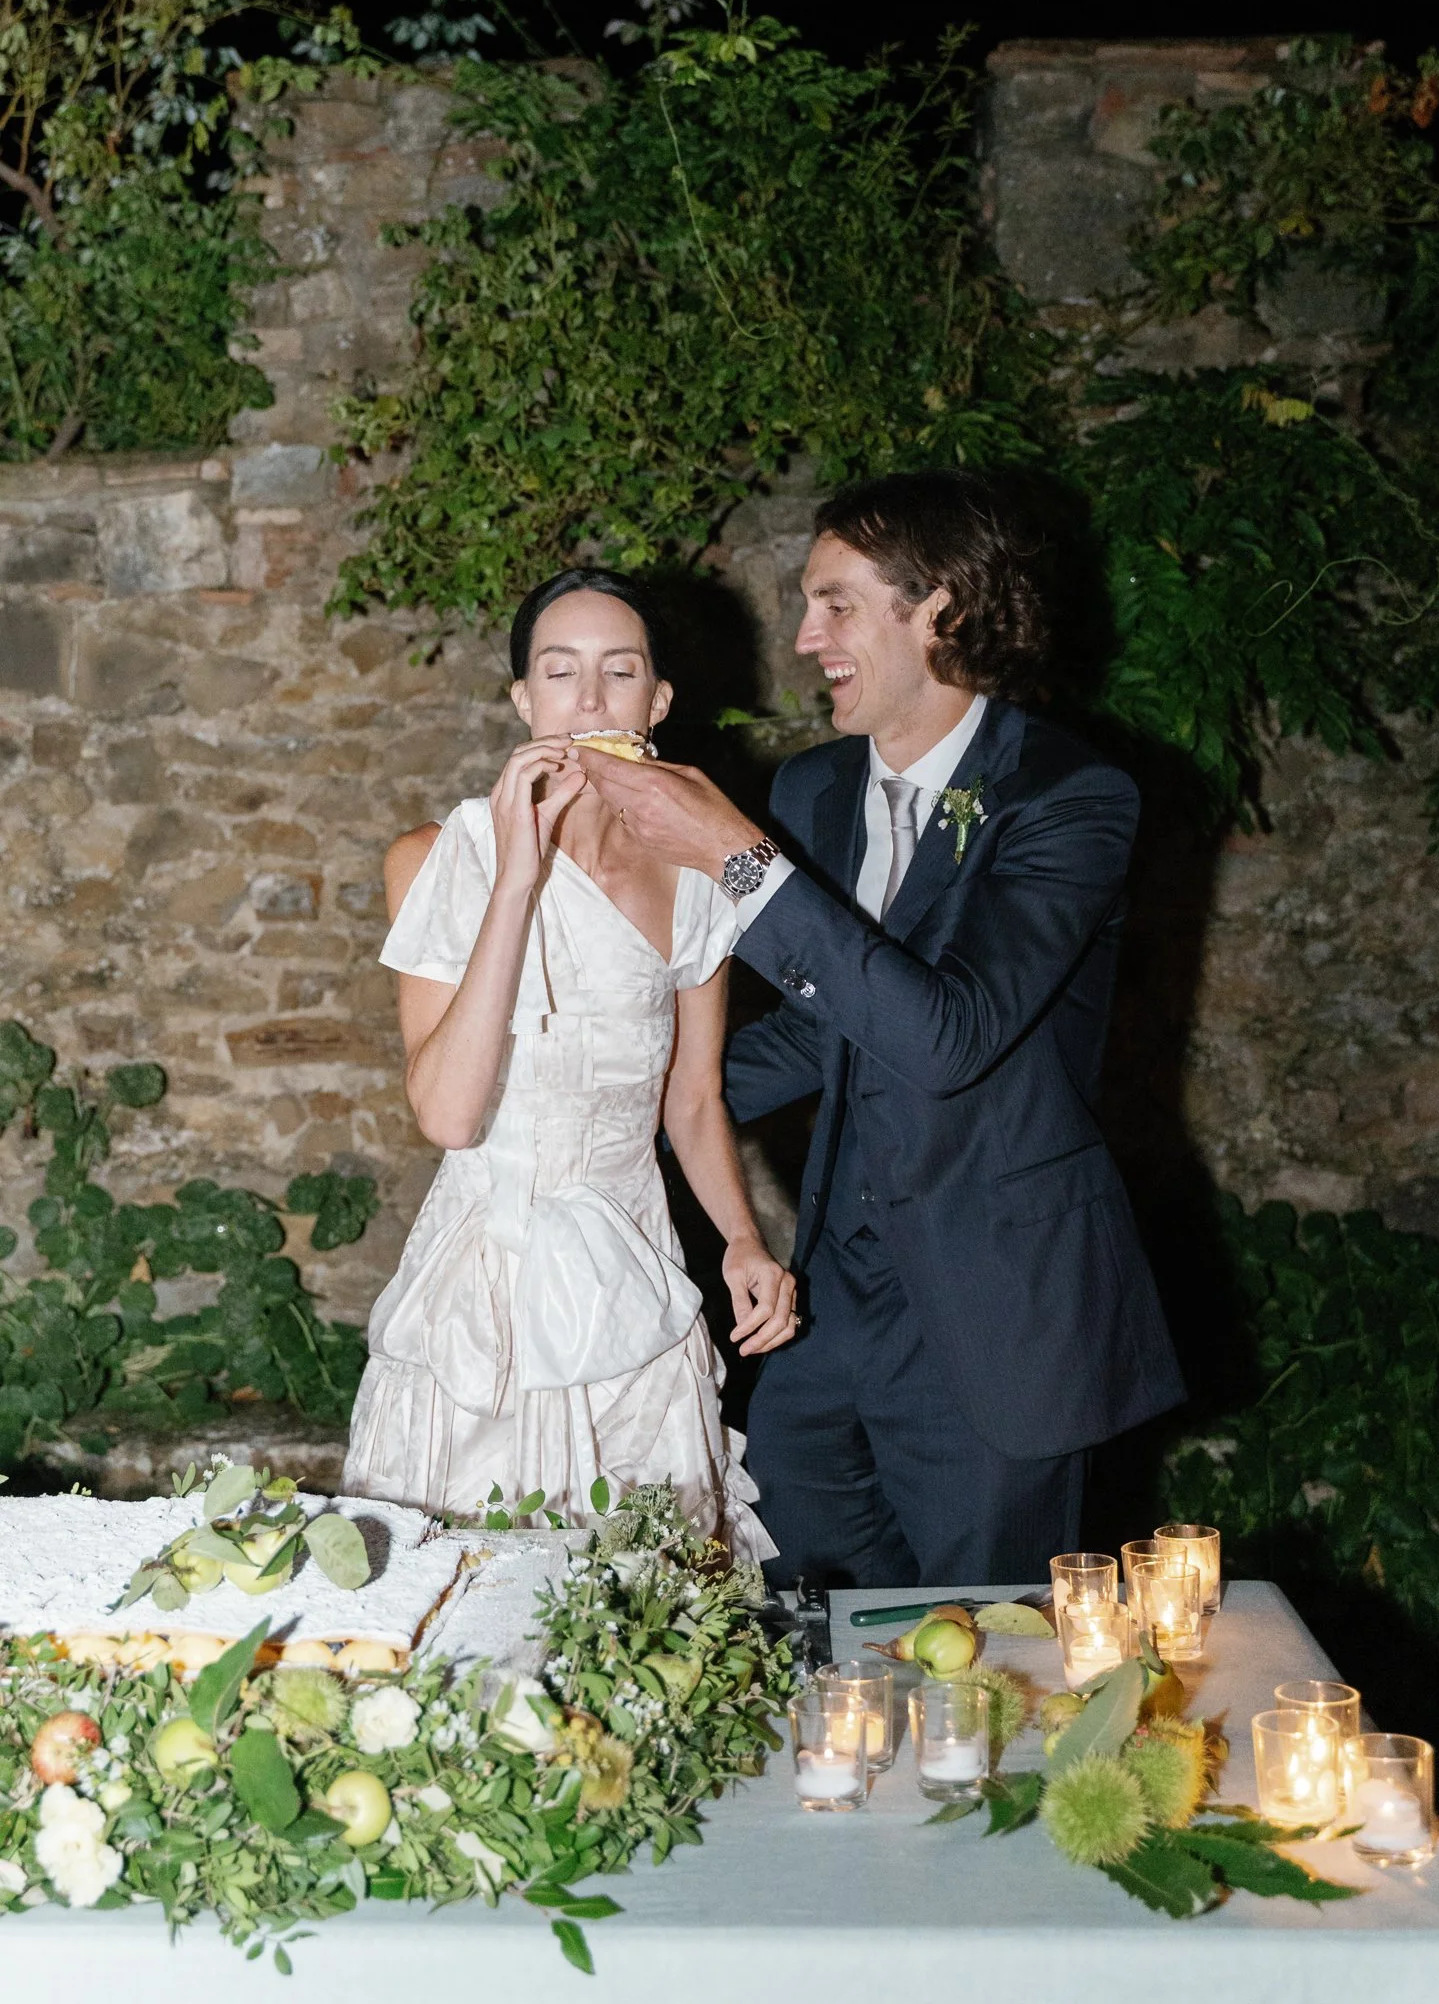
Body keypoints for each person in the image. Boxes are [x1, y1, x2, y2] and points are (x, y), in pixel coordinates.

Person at [580, 470, 1186, 1587]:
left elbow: (948, 1035)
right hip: (832, 1307)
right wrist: (613, 1106)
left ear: (939, 610)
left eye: (837, 604)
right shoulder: (814, 791)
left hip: (997, 1317)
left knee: (986, 1651)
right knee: (801, 1608)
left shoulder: (1068, 797)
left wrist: (735, 858)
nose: (805, 639)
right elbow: (827, 1033)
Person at [341, 566, 793, 1556]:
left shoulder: (697, 871)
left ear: (656, 702)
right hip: (482, 1292)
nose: (589, 701)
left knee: (645, 1592)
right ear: (523, 700)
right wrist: (516, 878)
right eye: (560, 672)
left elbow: (694, 1097)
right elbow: (449, 1117)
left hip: (633, 1281)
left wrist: (742, 1240)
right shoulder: (436, 858)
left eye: (618, 672)